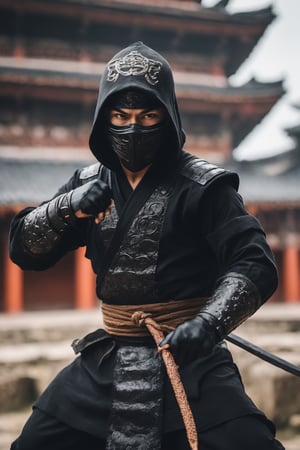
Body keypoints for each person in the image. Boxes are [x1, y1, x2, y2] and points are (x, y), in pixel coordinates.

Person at [9, 41, 284, 450]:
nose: (133, 128)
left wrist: (209, 324)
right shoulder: (87, 184)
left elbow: (255, 262)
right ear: (104, 119)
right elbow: (24, 251)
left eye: (147, 115)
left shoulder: (205, 187)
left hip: (190, 358)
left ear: (167, 116)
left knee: (250, 442)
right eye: (121, 116)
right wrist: (66, 209)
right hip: (106, 360)